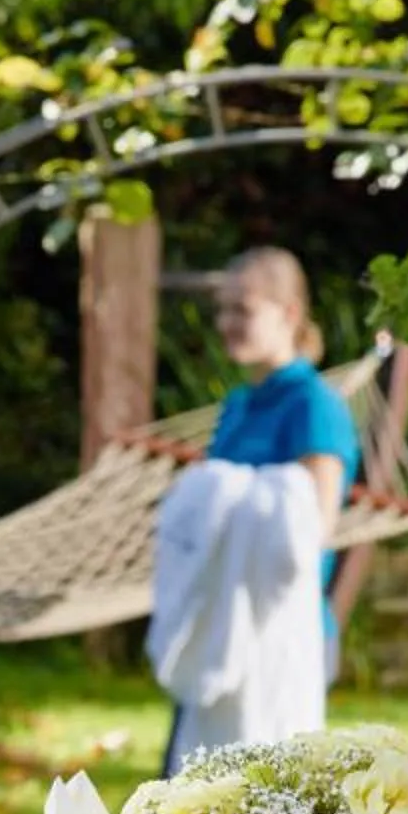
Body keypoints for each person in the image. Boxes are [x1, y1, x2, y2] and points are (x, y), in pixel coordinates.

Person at [147, 248, 362, 773]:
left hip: (276, 638)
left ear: (288, 313)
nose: (226, 323)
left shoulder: (315, 406)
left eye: (242, 309)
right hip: (216, 623)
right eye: (222, 309)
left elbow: (315, 525)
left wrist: (229, 491)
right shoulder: (239, 405)